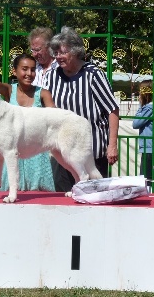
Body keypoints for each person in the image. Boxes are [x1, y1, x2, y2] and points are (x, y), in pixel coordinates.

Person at [44, 26, 120, 192]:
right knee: (64, 196)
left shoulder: (93, 74)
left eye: (62, 52)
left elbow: (112, 109)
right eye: (55, 53)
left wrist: (112, 145)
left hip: (92, 151)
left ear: (75, 51)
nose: (58, 57)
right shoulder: (51, 75)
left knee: (94, 196)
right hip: (62, 150)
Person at [0, 53, 56, 191]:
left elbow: (55, 117)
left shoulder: (43, 93)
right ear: (14, 71)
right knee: (11, 199)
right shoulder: (9, 90)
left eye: (33, 69)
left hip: (37, 156)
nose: (29, 73)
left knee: (39, 201)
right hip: (12, 153)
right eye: (24, 69)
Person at [132, 80, 154, 189]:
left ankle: (148, 197)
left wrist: (140, 107)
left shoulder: (149, 108)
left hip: (149, 146)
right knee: (149, 175)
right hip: (153, 145)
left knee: (146, 177)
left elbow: (136, 123)